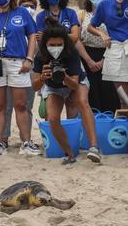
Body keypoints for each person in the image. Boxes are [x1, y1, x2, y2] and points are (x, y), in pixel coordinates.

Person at [0, 0, 41, 156]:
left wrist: (29, 58)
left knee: (21, 104)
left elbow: (32, 34)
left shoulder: (21, 12)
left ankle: (26, 142)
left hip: (18, 63)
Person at [32, 19, 101, 165]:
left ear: (65, 43)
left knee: (83, 103)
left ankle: (94, 147)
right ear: (45, 44)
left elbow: (75, 85)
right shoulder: (40, 56)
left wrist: (64, 76)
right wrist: (43, 78)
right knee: (52, 118)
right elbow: (35, 87)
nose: (55, 48)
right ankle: (69, 153)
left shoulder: (72, 52)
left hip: (74, 82)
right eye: (52, 45)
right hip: (52, 87)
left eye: (59, 45)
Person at [79, 0, 119, 113]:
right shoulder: (82, 14)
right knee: (92, 94)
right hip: (86, 56)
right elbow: (76, 40)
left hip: (107, 55)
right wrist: (89, 61)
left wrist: (103, 60)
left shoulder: (110, 13)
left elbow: (116, 37)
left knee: (109, 93)